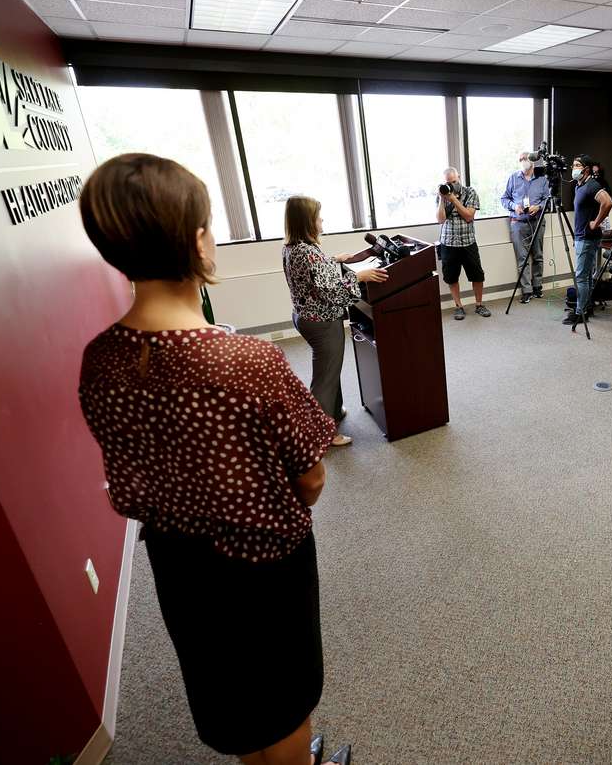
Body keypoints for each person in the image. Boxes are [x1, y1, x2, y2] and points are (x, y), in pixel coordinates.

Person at [76, 153, 351, 765]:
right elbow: (310, 476)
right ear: (198, 241)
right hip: (261, 565)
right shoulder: (246, 363)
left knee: (228, 690)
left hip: (178, 563)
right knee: (280, 694)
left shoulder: (101, 359)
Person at [283, 195, 388, 448]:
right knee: (325, 376)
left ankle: (334, 411)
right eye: (318, 217)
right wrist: (360, 277)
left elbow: (313, 276)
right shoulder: (308, 252)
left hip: (303, 315)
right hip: (321, 320)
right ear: (308, 221)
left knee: (330, 370)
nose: (321, 220)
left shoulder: (293, 246)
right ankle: (323, 434)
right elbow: (331, 292)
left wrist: (334, 260)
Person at [435, 166, 489, 320]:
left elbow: (468, 216)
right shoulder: (442, 194)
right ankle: (458, 306)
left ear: (459, 178)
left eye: (454, 181)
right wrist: (441, 198)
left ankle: (479, 304)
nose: (451, 184)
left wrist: (453, 200)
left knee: (477, 275)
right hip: (448, 243)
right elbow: (440, 220)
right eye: (448, 182)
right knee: (451, 277)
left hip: (468, 241)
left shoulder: (470, 192)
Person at [565, 154, 612, 326]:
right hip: (581, 236)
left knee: (582, 277)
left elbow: (607, 202)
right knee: (586, 276)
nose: (574, 168)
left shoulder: (592, 185)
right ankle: (586, 305)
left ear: (586, 169)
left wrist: (596, 222)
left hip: (587, 237)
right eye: (573, 165)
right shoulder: (580, 186)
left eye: (577, 165)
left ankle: (581, 312)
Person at [502, 151, 551, 303]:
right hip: (518, 222)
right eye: (520, 159)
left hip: (537, 221)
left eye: (525, 158)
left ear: (532, 161)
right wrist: (513, 206)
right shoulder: (513, 178)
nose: (523, 161)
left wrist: (539, 206)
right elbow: (504, 198)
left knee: (538, 255)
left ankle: (537, 287)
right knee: (522, 258)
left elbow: (548, 200)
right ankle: (527, 290)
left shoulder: (542, 179)